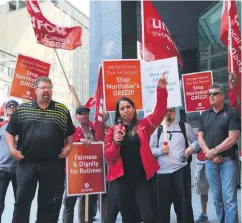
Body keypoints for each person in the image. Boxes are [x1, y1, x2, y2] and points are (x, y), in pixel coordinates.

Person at [6, 76, 75, 223]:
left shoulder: (62, 110)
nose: (46, 91)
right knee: (22, 202)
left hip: (52, 164)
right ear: (35, 90)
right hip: (27, 163)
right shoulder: (23, 109)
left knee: (48, 204)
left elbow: (70, 132)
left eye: (49, 88)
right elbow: (10, 131)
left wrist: (69, 147)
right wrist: (12, 149)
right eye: (43, 88)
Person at [104, 74, 168, 223]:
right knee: (129, 217)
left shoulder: (144, 126)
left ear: (134, 109)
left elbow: (160, 112)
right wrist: (116, 142)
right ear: (118, 112)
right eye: (122, 108)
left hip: (142, 179)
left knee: (148, 216)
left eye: (128, 106)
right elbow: (108, 157)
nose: (126, 110)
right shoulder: (112, 131)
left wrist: (161, 90)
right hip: (121, 181)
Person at [198, 83, 240, 223]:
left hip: (228, 161)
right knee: (217, 199)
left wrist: (214, 151)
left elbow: (233, 138)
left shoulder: (231, 112)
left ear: (222, 95)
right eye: (209, 94)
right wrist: (208, 153)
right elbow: (200, 137)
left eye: (214, 93)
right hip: (211, 163)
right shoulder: (205, 114)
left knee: (229, 199)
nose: (211, 96)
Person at [150, 107, 199, 223]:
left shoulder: (184, 126)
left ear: (175, 112)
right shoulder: (157, 129)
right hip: (162, 173)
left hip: (180, 171)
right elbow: (150, 149)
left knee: (184, 207)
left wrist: (191, 148)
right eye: (165, 110)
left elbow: (196, 141)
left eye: (171, 110)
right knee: (162, 209)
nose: (168, 113)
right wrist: (161, 151)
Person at [62, 105, 97, 223]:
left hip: (90, 171)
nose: (84, 115)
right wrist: (79, 141)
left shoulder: (94, 129)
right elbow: (65, 143)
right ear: (76, 116)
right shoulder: (72, 129)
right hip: (74, 171)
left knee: (89, 203)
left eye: (87, 113)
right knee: (69, 202)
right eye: (81, 113)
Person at [0, 100, 19, 223]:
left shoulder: (24, 127)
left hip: (19, 171)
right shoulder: (1, 126)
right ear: (6, 110)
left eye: (15, 106)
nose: (12, 108)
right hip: (2, 170)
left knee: (20, 203)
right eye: (9, 106)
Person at [194, 150, 210, 223]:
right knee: (202, 191)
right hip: (201, 161)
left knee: (220, 190)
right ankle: (204, 215)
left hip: (216, 160)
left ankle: (224, 215)